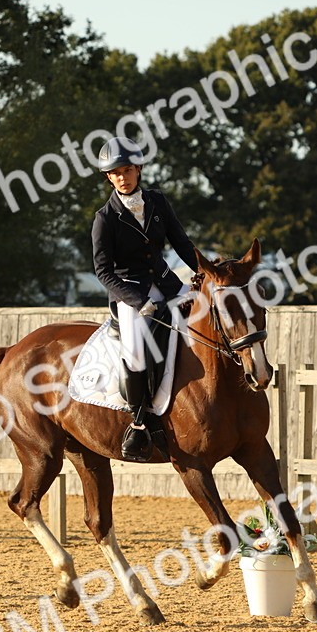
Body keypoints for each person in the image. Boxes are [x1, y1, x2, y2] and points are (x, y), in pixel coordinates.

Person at [91, 136, 198, 462]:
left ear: (138, 169)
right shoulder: (104, 218)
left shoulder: (157, 202)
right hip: (129, 292)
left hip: (167, 283)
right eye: (115, 173)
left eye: (127, 170)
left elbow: (181, 242)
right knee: (136, 355)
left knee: (206, 317)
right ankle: (138, 422)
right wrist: (138, 301)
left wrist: (207, 273)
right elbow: (102, 271)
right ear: (109, 178)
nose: (122, 177)